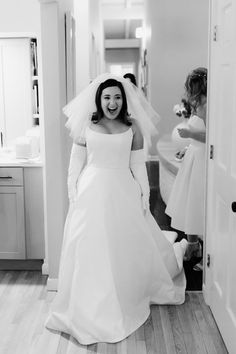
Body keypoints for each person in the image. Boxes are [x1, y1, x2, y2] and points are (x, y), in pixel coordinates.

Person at [45, 73, 187, 345]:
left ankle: (122, 294)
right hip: (91, 192)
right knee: (90, 245)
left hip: (122, 189)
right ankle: (88, 302)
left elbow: (137, 166)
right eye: (107, 97)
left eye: (118, 97)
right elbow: (75, 164)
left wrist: (144, 196)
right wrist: (72, 191)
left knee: (121, 245)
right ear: (99, 99)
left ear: (124, 100)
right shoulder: (87, 124)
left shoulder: (132, 128)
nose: (113, 102)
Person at [165, 67, 207, 264]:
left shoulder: (208, 106)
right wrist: (188, 145)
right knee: (189, 200)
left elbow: (213, 136)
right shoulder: (198, 103)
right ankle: (193, 246)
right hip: (193, 155)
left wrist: (190, 135)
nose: (190, 90)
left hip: (204, 159)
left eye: (192, 85)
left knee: (198, 201)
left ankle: (203, 248)